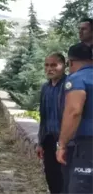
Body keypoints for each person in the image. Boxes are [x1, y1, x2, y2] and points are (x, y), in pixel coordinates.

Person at [56, 42, 93, 193]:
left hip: (88, 145)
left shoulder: (77, 79)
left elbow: (74, 111)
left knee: (80, 188)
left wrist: (62, 145)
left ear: (70, 62)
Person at [37, 52, 67, 194]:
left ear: (64, 65)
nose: (49, 68)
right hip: (49, 140)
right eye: (47, 65)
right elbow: (43, 116)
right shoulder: (45, 88)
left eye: (54, 65)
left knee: (65, 180)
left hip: (65, 141)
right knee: (51, 178)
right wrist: (40, 142)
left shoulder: (69, 86)